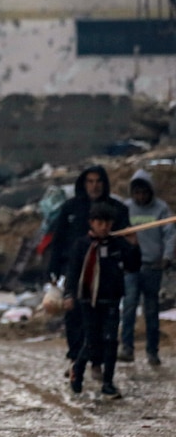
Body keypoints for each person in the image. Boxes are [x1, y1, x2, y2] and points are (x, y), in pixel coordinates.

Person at [47, 164, 130, 375]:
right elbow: (59, 240)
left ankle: (97, 362)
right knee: (74, 315)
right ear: (83, 184)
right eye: (90, 181)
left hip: (106, 273)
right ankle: (76, 358)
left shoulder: (117, 210)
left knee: (102, 320)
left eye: (98, 181)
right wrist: (53, 266)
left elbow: (125, 243)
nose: (94, 186)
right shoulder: (70, 209)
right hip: (75, 271)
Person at [63, 202, 140, 397]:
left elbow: (133, 266)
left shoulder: (117, 244)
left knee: (111, 341)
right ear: (92, 223)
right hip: (88, 300)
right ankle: (77, 370)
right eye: (100, 222)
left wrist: (133, 245)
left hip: (112, 299)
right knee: (92, 341)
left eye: (107, 223)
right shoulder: (82, 245)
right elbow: (72, 273)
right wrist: (69, 294)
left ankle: (108, 382)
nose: (104, 227)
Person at [119, 169, 174, 366]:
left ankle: (152, 352)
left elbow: (169, 234)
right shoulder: (126, 208)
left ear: (150, 191)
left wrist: (167, 257)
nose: (140, 196)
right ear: (132, 193)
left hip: (152, 266)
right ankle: (127, 347)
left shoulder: (161, 209)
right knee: (129, 306)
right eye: (137, 193)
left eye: (144, 192)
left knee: (151, 310)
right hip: (131, 267)